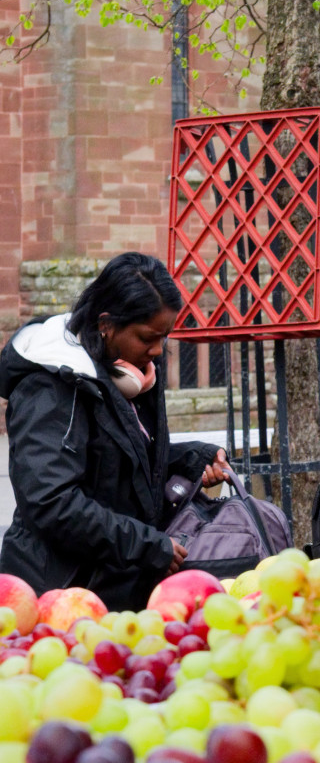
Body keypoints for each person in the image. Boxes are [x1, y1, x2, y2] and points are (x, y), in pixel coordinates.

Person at [0, 253, 230, 609]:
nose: (156, 351)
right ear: (106, 324)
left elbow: (118, 460)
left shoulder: (123, 373)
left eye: (164, 337)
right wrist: (146, 545)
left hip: (115, 587)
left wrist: (193, 458)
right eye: (146, 338)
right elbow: (51, 501)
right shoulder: (48, 387)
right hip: (59, 593)